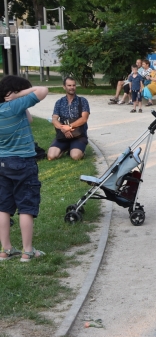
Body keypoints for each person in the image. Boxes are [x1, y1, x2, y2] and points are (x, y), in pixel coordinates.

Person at [0, 76, 48, 262]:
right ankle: (27, 251)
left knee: (3, 207)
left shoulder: (10, 109)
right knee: (26, 206)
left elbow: (29, 120)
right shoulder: (13, 106)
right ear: (12, 93)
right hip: (22, 163)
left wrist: (20, 102)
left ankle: (6, 249)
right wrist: (22, 94)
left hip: (3, 163)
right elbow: (42, 90)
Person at [47, 77, 91, 161]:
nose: (72, 87)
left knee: (75, 156)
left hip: (78, 135)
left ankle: (77, 150)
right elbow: (54, 119)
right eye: (69, 85)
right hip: (63, 134)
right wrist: (64, 129)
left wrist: (70, 126)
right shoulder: (59, 102)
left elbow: (84, 119)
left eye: (74, 85)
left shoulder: (82, 101)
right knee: (51, 156)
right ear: (64, 87)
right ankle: (66, 148)